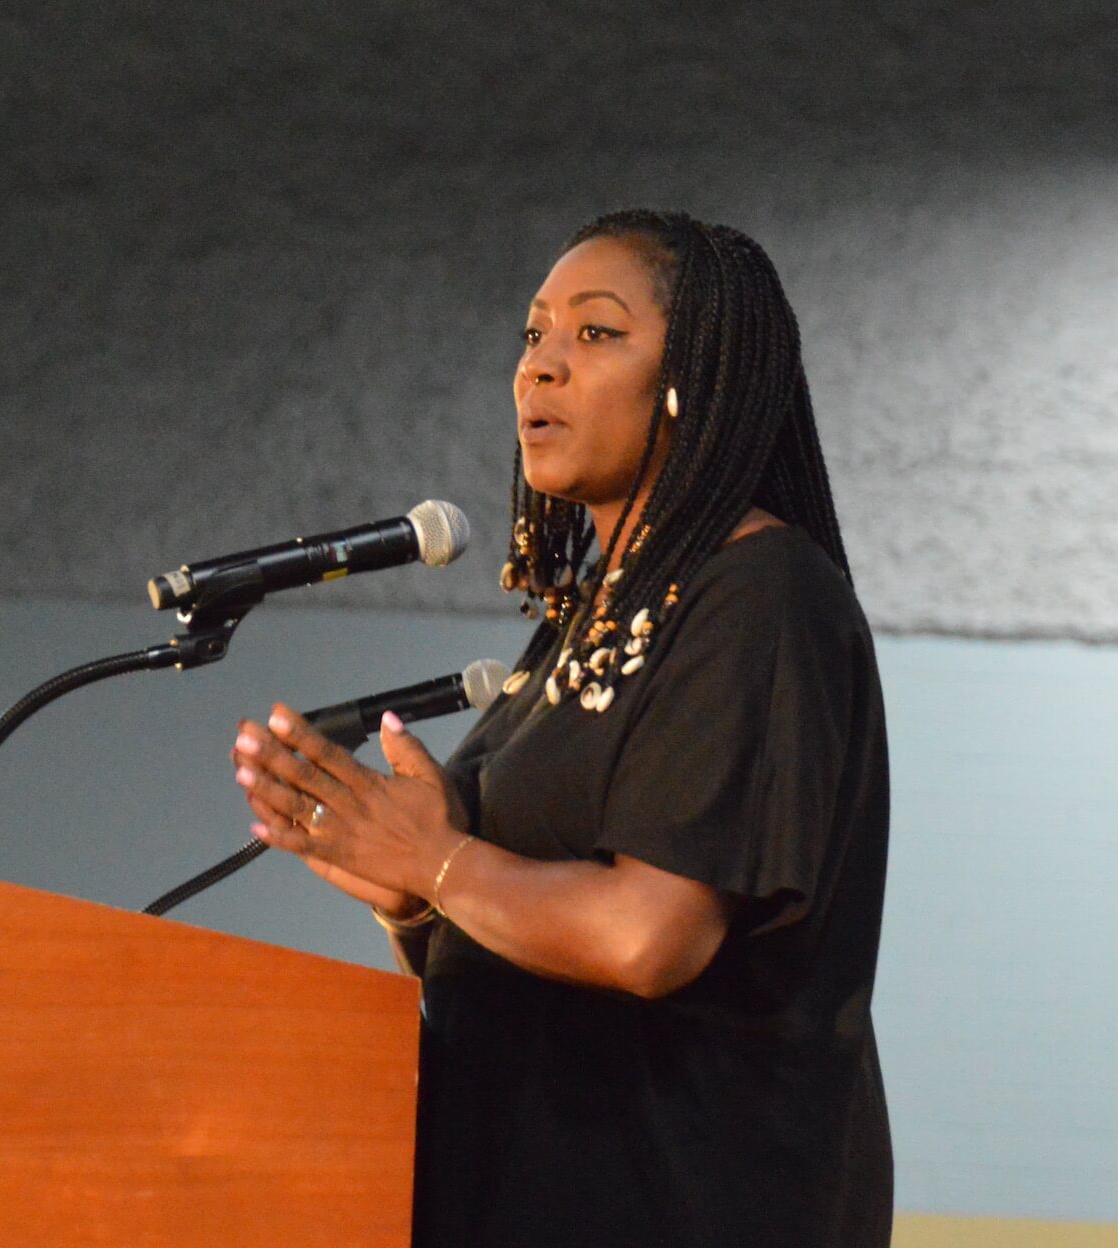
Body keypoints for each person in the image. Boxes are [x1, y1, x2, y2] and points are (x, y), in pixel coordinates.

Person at [230, 209, 891, 1247]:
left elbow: (646, 938)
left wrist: (438, 861)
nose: (539, 367)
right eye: (534, 334)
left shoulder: (759, 596)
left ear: (698, 378)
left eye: (595, 332)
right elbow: (516, 955)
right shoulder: (590, 618)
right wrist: (412, 902)